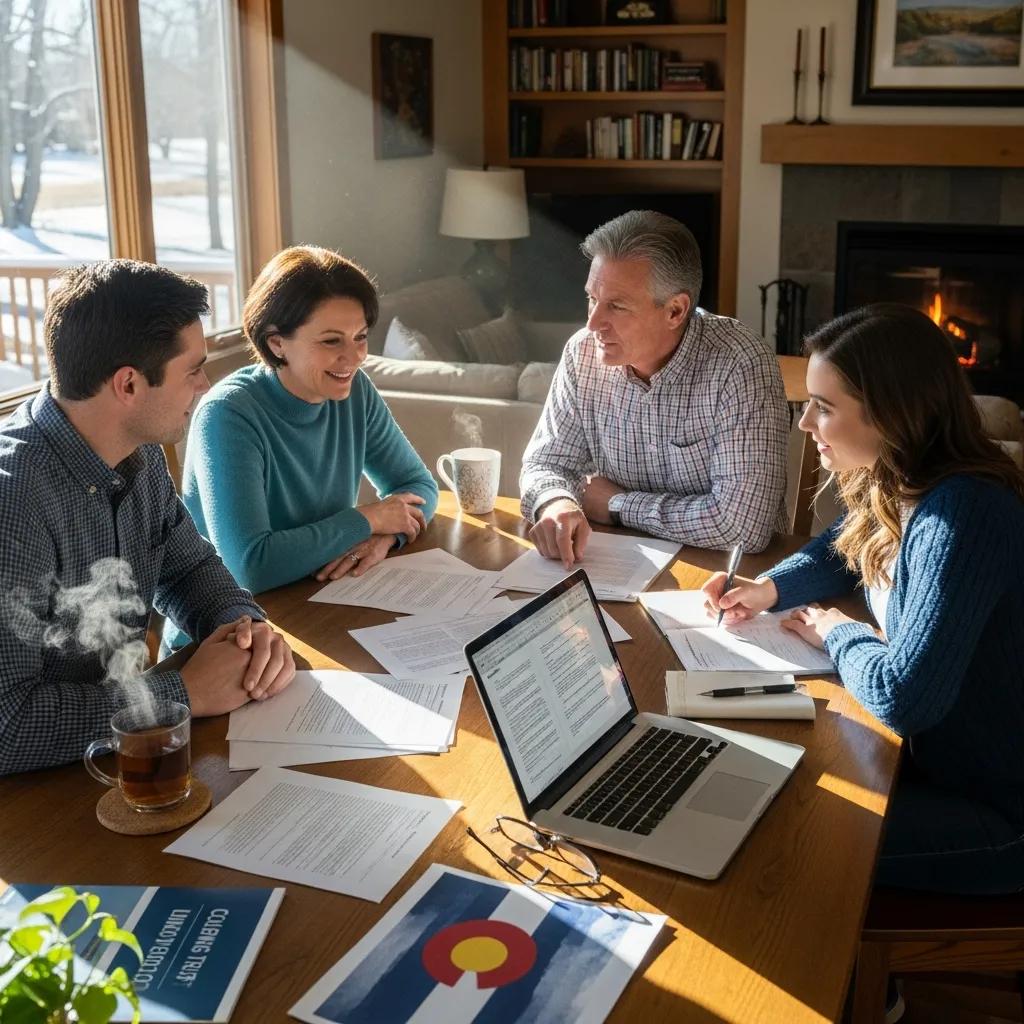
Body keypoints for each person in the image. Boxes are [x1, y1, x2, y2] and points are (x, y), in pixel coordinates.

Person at [704, 303, 1024, 895]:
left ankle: (872, 990)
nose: (804, 423)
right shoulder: (901, 476)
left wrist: (836, 632)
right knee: (751, 788)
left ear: (889, 415)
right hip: (923, 764)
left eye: (822, 408)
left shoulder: (964, 515)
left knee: (772, 838)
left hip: (995, 811)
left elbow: (904, 698)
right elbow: (841, 547)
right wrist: (769, 589)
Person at [0, 260, 296, 776]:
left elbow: (188, 568)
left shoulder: (139, 451)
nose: (205, 385)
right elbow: (7, 726)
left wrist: (244, 630)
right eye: (193, 370)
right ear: (129, 385)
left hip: (126, 764)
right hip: (36, 809)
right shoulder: (14, 502)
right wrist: (179, 693)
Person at [520, 209, 789, 568]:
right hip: (613, 564)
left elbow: (743, 526)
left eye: (616, 306)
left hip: (728, 577)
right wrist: (556, 502)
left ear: (676, 311)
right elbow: (544, 463)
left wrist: (617, 505)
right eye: (591, 298)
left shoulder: (739, 364)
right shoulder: (582, 353)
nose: (593, 322)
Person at [178, 245, 438, 603]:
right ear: (277, 343)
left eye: (360, 336)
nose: (355, 357)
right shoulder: (227, 415)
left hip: (323, 599)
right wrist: (368, 521)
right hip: (231, 630)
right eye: (332, 341)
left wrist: (386, 537)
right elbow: (250, 567)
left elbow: (417, 484)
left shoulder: (354, 391)